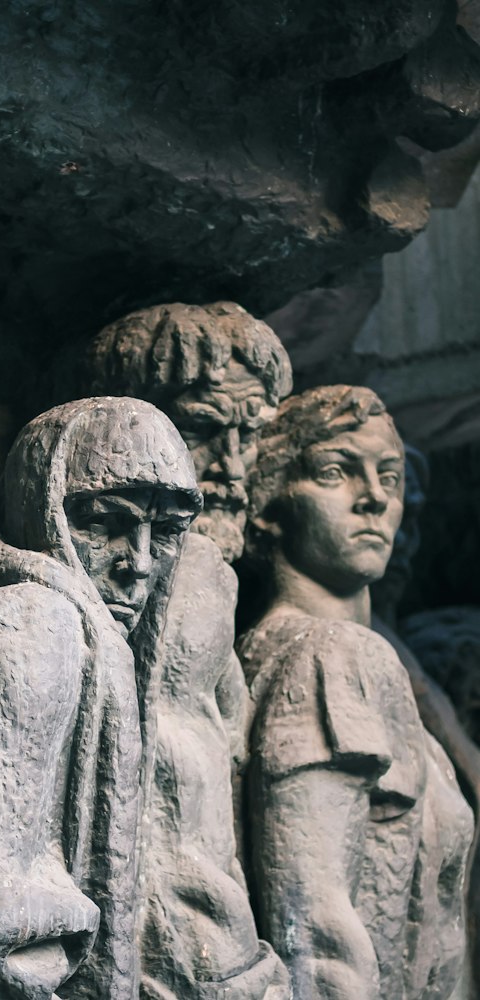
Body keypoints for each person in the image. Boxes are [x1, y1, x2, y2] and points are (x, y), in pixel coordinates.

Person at [0, 396, 202, 1000]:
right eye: (104, 522)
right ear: (41, 510)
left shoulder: (89, 646)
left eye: (163, 533)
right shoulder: (32, 625)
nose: (138, 563)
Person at [59, 302, 292, 998]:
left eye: (251, 434)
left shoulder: (213, 582)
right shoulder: (115, 575)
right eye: (200, 429)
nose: (232, 465)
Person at [238, 385, 473, 1000]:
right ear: (269, 501)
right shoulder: (330, 654)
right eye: (336, 472)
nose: (373, 497)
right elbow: (313, 927)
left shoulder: (344, 655)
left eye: (389, 477)